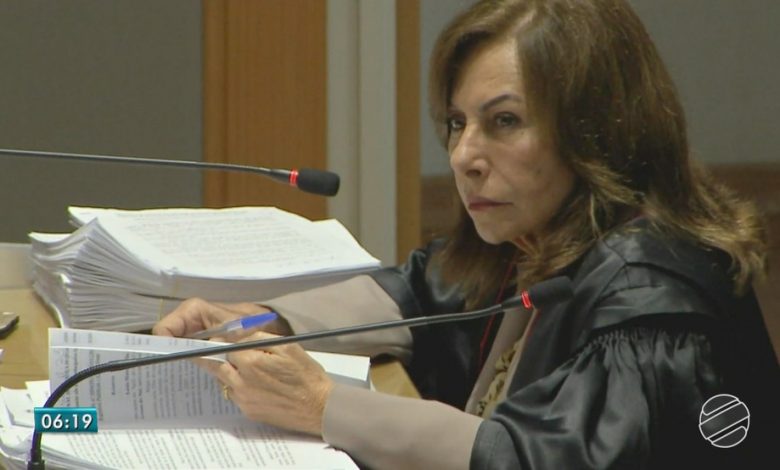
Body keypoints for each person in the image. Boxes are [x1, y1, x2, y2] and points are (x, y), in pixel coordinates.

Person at [154, 0, 779, 468]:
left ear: (596, 132)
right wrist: (261, 320)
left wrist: (322, 404)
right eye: (458, 123)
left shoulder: (649, 292)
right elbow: (419, 292)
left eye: (503, 121)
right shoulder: (538, 229)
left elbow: (539, 458)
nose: (463, 156)